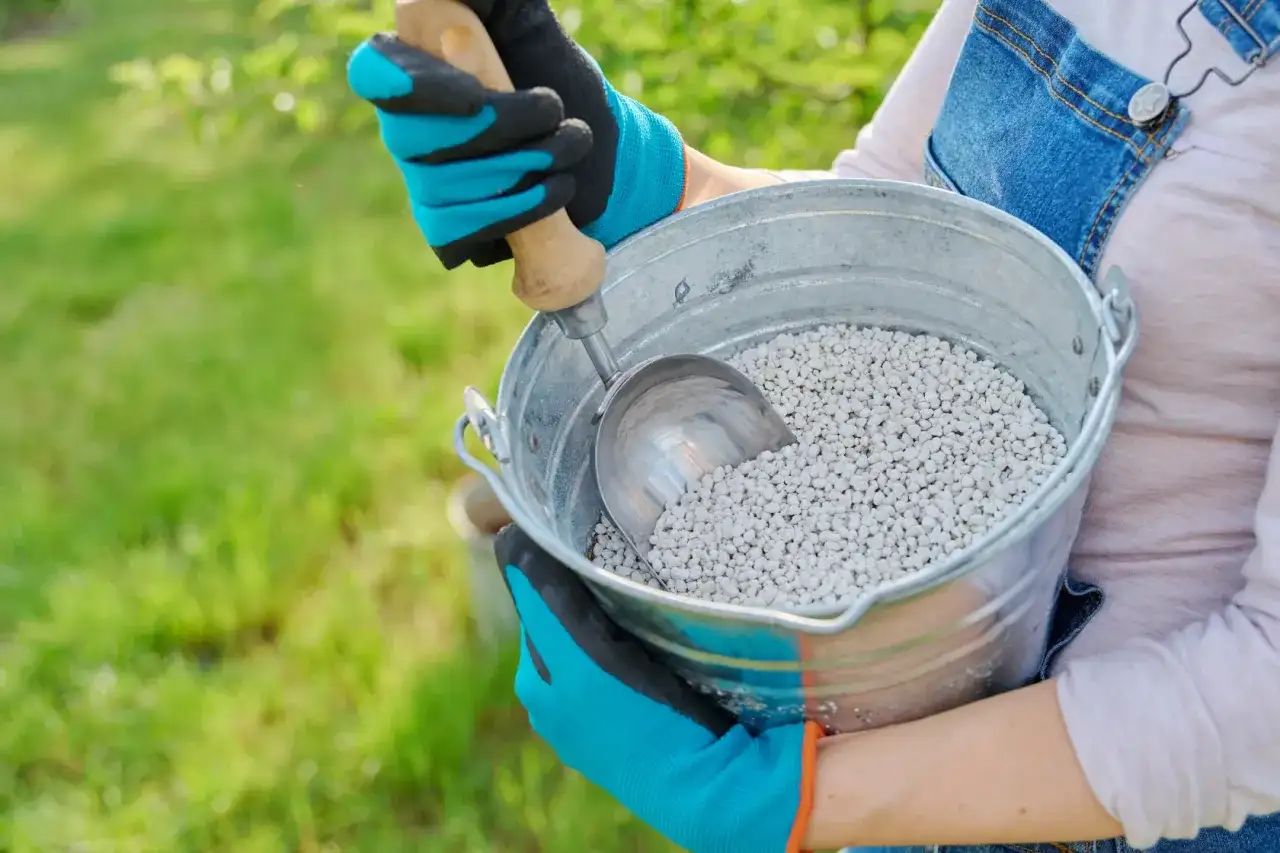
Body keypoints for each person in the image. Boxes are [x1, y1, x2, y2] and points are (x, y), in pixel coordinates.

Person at [346, 0, 1280, 850]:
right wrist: (640, 184)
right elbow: (895, 231)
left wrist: (787, 798)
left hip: (1153, 815)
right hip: (879, 747)